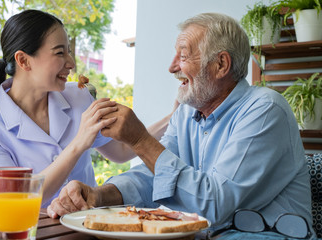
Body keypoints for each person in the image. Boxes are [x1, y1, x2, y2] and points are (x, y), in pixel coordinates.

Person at [47, 12, 314, 238]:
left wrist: (140, 140)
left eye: (183, 56)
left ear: (221, 64)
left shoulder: (265, 110)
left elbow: (214, 204)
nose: (172, 67)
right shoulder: (187, 113)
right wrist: (99, 195)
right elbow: (154, 177)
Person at [0, 9, 175, 207]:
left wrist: (174, 116)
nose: (71, 62)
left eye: (69, 52)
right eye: (59, 53)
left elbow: (121, 151)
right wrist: (79, 143)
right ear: (24, 60)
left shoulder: (77, 96)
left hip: (85, 228)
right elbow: (15, 199)